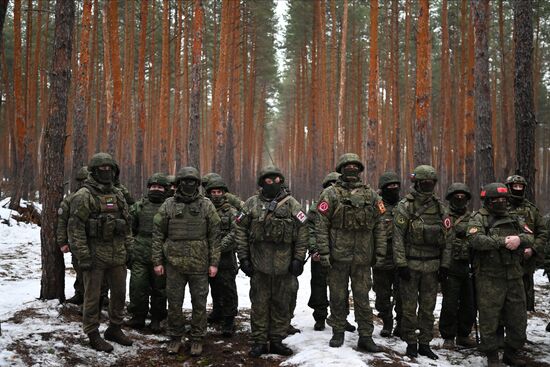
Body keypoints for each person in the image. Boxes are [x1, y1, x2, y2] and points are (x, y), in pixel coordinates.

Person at [316, 153, 386, 352]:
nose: (352, 169)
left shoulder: (371, 195)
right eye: (348, 166)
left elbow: (380, 225)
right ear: (341, 169)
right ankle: (338, 331)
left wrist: (380, 251)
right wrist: (324, 252)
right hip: (338, 257)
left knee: (363, 298)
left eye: (355, 166)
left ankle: (366, 335)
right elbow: (321, 225)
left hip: (363, 257)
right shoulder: (330, 194)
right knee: (337, 296)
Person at [236, 166, 308, 357]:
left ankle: (276, 340)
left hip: (284, 267)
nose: (273, 183)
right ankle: (259, 341)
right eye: (268, 180)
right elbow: (240, 231)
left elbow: (303, 233)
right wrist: (243, 258)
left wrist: (298, 259)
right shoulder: (251, 204)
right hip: (259, 266)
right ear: (261, 183)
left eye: (277, 180)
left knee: (281, 305)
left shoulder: (292, 204)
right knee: (259, 305)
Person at [151, 167, 221, 356]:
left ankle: (197, 338)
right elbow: (158, 235)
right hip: (174, 264)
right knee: (174, 303)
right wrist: (157, 261)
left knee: (199, 303)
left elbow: (215, 236)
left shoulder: (206, 205)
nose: (188, 185)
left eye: (192, 181)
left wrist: (214, 263)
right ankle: (175, 337)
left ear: (197, 184)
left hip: (199, 265)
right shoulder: (168, 205)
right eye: (184, 181)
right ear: (178, 184)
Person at [68, 152, 133, 352]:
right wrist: (83, 256)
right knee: (93, 297)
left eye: (110, 169)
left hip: (117, 254)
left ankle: (114, 328)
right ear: (94, 171)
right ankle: (92, 333)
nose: (107, 172)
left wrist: (129, 248)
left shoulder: (118, 194)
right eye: (102, 169)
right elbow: (75, 228)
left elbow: (127, 224)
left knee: (120, 294)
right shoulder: (84, 196)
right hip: (94, 255)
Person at [467, 183, 534, 367]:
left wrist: (520, 239)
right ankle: (492, 355)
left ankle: (511, 352)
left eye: (504, 199)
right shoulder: (478, 218)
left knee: (518, 318)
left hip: (514, 276)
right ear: (488, 201)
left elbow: (530, 236)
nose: (500, 203)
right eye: (496, 200)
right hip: (489, 277)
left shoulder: (514, 218)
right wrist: (502, 241)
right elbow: (475, 240)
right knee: (489, 318)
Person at [393, 165, 452, 359]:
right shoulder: (405, 206)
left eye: (431, 182)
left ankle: (425, 343)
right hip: (410, 265)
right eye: (424, 182)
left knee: (428, 308)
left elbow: (448, 239)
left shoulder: (440, 208)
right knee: (409, 308)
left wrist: (445, 265)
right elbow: (398, 237)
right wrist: (401, 264)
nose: (428, 186)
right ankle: (410, 342)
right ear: (417, 183)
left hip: (432, 267)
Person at [307, 172, 355, 333]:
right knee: (319, 287)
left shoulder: (347, 205)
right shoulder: (317, 206)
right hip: (320, 253)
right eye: (330, 184)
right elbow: (310, 229)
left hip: (341, 254)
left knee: (341, 287)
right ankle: (320, 317)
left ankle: (341, 317)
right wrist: (314, 249)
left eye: (336, 183)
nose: (333, 187)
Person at [126, 173, 169, 333]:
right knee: (138, 286)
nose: (155, 189)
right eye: (153, 186)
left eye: (159, 187)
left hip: (161, 255)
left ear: (164, 189)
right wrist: (131, 247)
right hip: (140, 253)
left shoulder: (169, 207)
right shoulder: (139, 206)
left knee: (160, 289)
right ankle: (137, 316)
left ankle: (157, 318)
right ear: (148, 188)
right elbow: (129, 229)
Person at [439, 183, 476, 349]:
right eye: (456, 196)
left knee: (469, 303)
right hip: (450, 266)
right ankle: (448, 336)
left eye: (463, 196)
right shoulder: (444, 216)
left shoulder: (474, 218)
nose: (460, 199)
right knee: (450, 303)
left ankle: (463, 334)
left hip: (468, 266)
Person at [505, 175, 548, 312]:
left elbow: (543, 233)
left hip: (526, 261)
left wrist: (533, 249)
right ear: (509, 188)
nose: (518, 189)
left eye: (520, 186)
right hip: (505, 260)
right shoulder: (500, 207)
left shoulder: (532, 210)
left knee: (524, 298)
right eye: (515, 186)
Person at [205, 179, 239, 337]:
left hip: (226, 257)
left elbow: (235, 232)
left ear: (224, 193)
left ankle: (229, 320)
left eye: (219, 192)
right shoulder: (205, 209)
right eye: (213, 192)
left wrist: (218, 247)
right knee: (214, 286)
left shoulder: (231, 211)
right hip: (208, 256)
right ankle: (217, 312)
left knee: (228, 288)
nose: (216, 195)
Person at [372, 171, 402, 338]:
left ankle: (401, 323)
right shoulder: (376, 206)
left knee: (402, 294)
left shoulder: (404, 205)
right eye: (390, 186)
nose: (394, 188)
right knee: (382, 294)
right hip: (381, 257)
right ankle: (387, 321)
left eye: (396, 186)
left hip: (402, 258)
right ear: (383, 189)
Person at [57, 166, 89, 305]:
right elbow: (62, 222)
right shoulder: (70, 200)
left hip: (98, 242)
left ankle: (101, 298)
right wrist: (62, 242)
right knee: (81, 270)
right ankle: (80, 295)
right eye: (85, 181)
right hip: (77, 242)